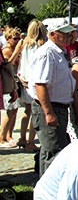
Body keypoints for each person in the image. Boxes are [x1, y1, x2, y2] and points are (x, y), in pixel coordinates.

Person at [29, 19, 78, 176]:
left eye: (69, 33)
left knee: (51, 150)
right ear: (53, 34)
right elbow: (40, 85)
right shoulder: (47, 53)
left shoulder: (59, 51)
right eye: (64, 34)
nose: (69, 37)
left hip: (58, 106)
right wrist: (49, 112)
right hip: (50, 107)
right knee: (53, 152)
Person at [16, 19, 47, 152]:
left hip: (24, 79)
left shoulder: (24, 43)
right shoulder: (40, 45)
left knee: (27, 111)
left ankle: (22, 137)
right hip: (33, 81)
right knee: (35, 113)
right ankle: (30, 141)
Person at [0, 27, 23, 148]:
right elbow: (9, 63)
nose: (17, 40)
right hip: (9, 83)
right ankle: (2, 137)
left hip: (16, 83)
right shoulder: (6, 50)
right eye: (14, 38)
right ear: (8, 39)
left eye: (18, 38)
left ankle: (9, 135)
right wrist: (17, 51)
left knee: (15, 110)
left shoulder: (15, 49)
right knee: (10, 111)